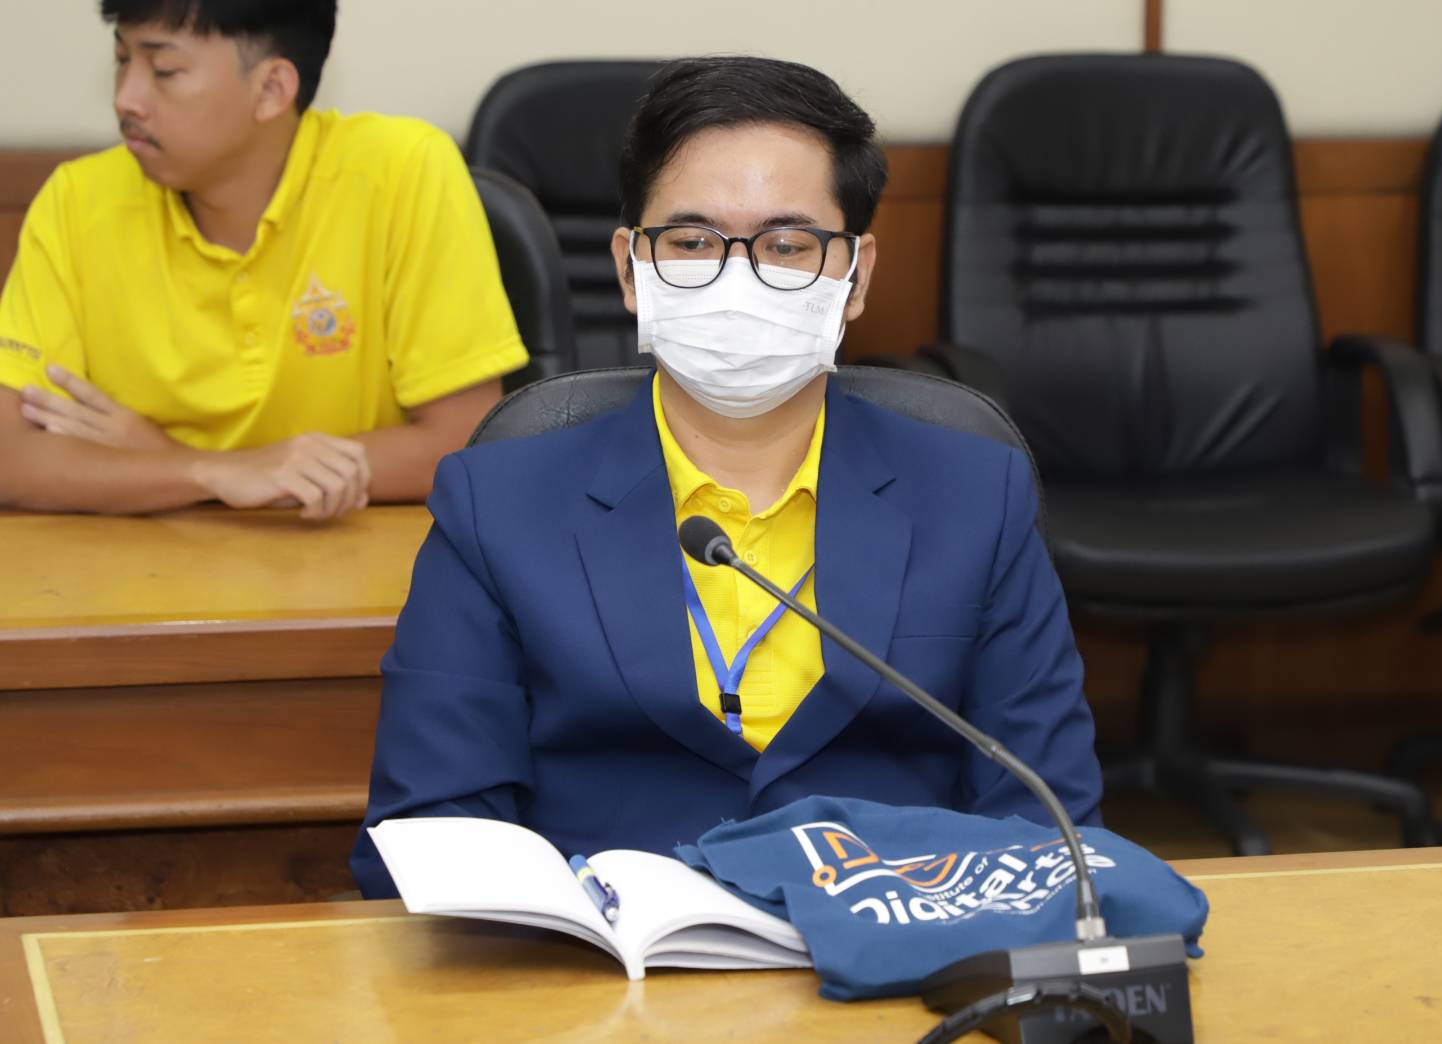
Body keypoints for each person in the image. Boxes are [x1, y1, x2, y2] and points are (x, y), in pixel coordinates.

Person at [351, 56, 1102, 898]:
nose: (738, 277)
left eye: (786, 245)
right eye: (691, 242)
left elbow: (1048, 823)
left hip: (898, 941)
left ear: (856, 277)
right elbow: (432, 826)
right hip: (605, 959)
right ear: (630, 269)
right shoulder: (496, 505)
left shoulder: (975, 498)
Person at [0, 1, 527, 520]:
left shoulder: (402, 173)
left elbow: (463, 443)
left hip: (349, 560)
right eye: (122, 60)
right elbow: (9, 456)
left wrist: (168, 461)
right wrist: (212, 473)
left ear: (272, 88)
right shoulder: (77, 201)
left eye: (163, 70)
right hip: (140, 565)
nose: (125, 98)